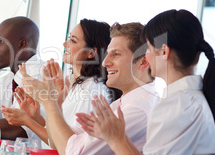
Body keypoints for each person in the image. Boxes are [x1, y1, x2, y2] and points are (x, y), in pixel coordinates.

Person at [79, 9, 215, 154]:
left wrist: (116, 140)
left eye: (149, 49)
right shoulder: (188, 99)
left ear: (164, 52)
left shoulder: (176, 105)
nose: (146, 57)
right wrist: (118, 137)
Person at [2, 19, 116, 151]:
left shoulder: (91, 91)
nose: (64, 43)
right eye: (69, 38)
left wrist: (27, 121)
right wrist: (36, 117)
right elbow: (58, 133)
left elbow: (68, 145)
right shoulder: (78, 85)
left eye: (73, 40)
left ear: (91, 53)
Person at [67, 22, 159, 154]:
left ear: (143, 62)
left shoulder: (137, 109)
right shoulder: (124, 103)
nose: (105, 62)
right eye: (108, 54)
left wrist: (50, 104)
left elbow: (74, 152)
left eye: (116, 54)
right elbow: (65, 138)